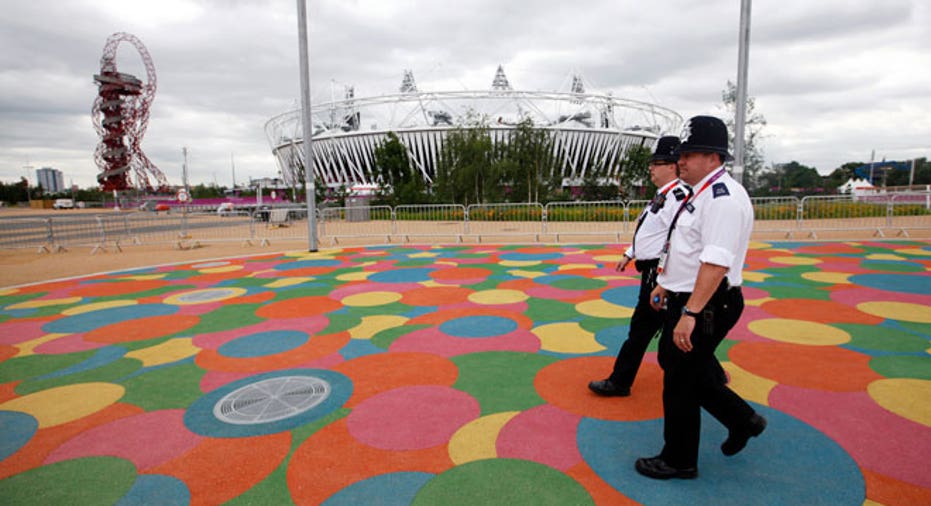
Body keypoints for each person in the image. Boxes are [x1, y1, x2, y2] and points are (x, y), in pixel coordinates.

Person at [636, 115, 766, 480]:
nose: (681, 162)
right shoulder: (701, 192)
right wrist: (666, 282)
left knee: (680, 380)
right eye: (680, 155)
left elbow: (715, 262)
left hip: (708, 302)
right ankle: (743, 419)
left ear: (713, 156)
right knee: (675, 364)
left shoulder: (723, 200)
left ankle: (679, 459)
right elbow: (688, 248)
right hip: (689, 295)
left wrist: (690, 311)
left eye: (688, 155)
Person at [588, 136, 689, 397]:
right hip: (653, 271)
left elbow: (676, 239)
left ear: (672, 166)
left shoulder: (678, 196)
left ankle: (620, 381)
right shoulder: (662, 195)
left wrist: (663, 279)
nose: (651, 168)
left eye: (657, 163)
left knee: (648, 329)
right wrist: (630, 253)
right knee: (658, 328)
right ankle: (710, 374)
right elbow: (651, 232)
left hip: (662, 272)